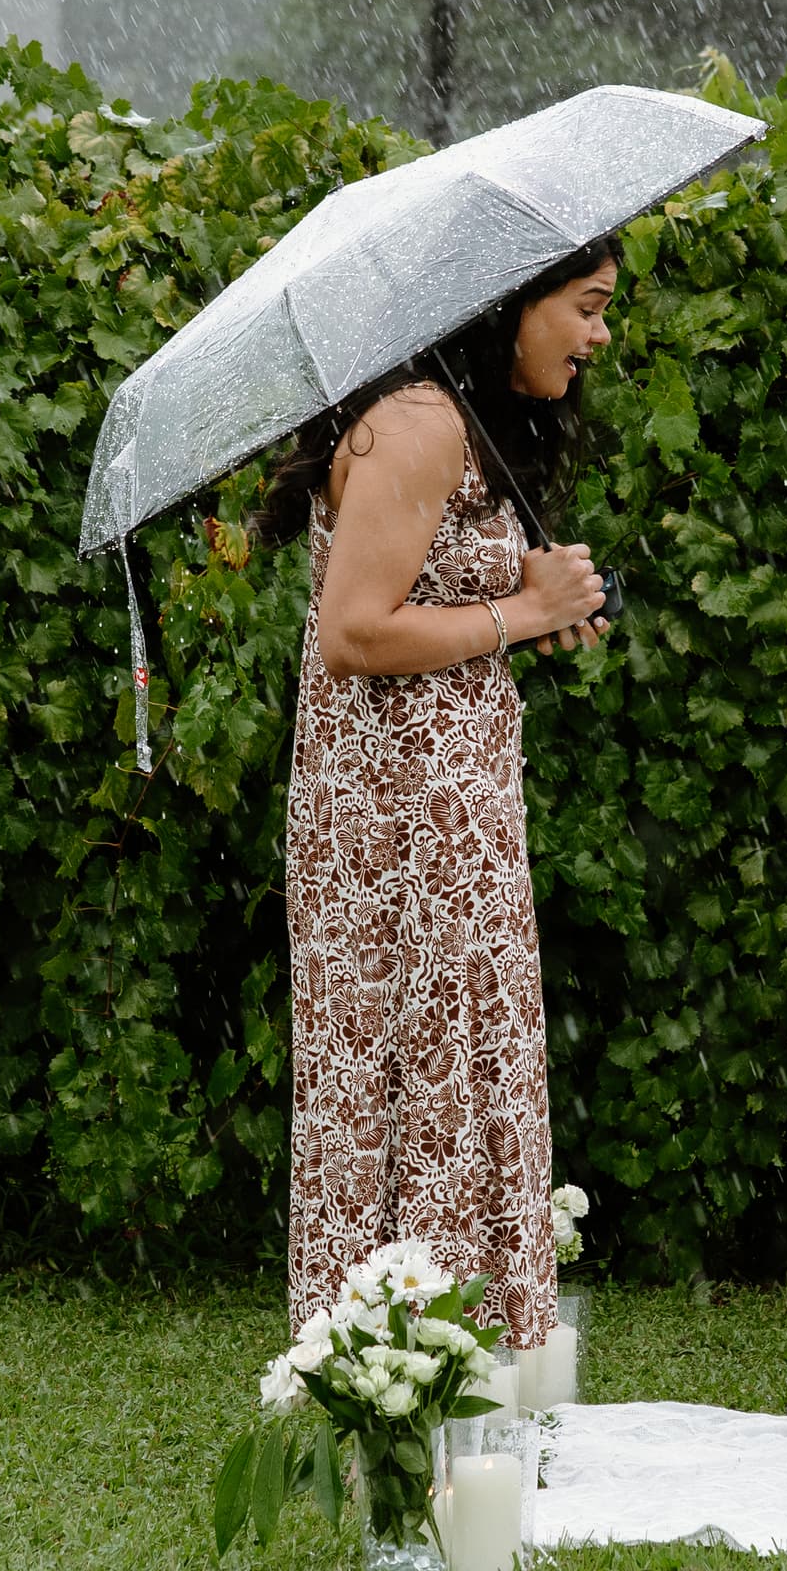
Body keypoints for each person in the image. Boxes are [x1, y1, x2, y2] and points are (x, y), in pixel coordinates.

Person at [253, 242, 617, 1357]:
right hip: (395, 821)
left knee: (457, 1058)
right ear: (512, 299)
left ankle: (456, 1368)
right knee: (407, 1067)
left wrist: (541, 598)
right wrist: (519, 613)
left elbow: (442, 599)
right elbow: (354, 631)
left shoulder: (466, 418)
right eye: (586, 307)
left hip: (452, 811)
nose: (599, 335)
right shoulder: (418, 422)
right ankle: (400, 1368)